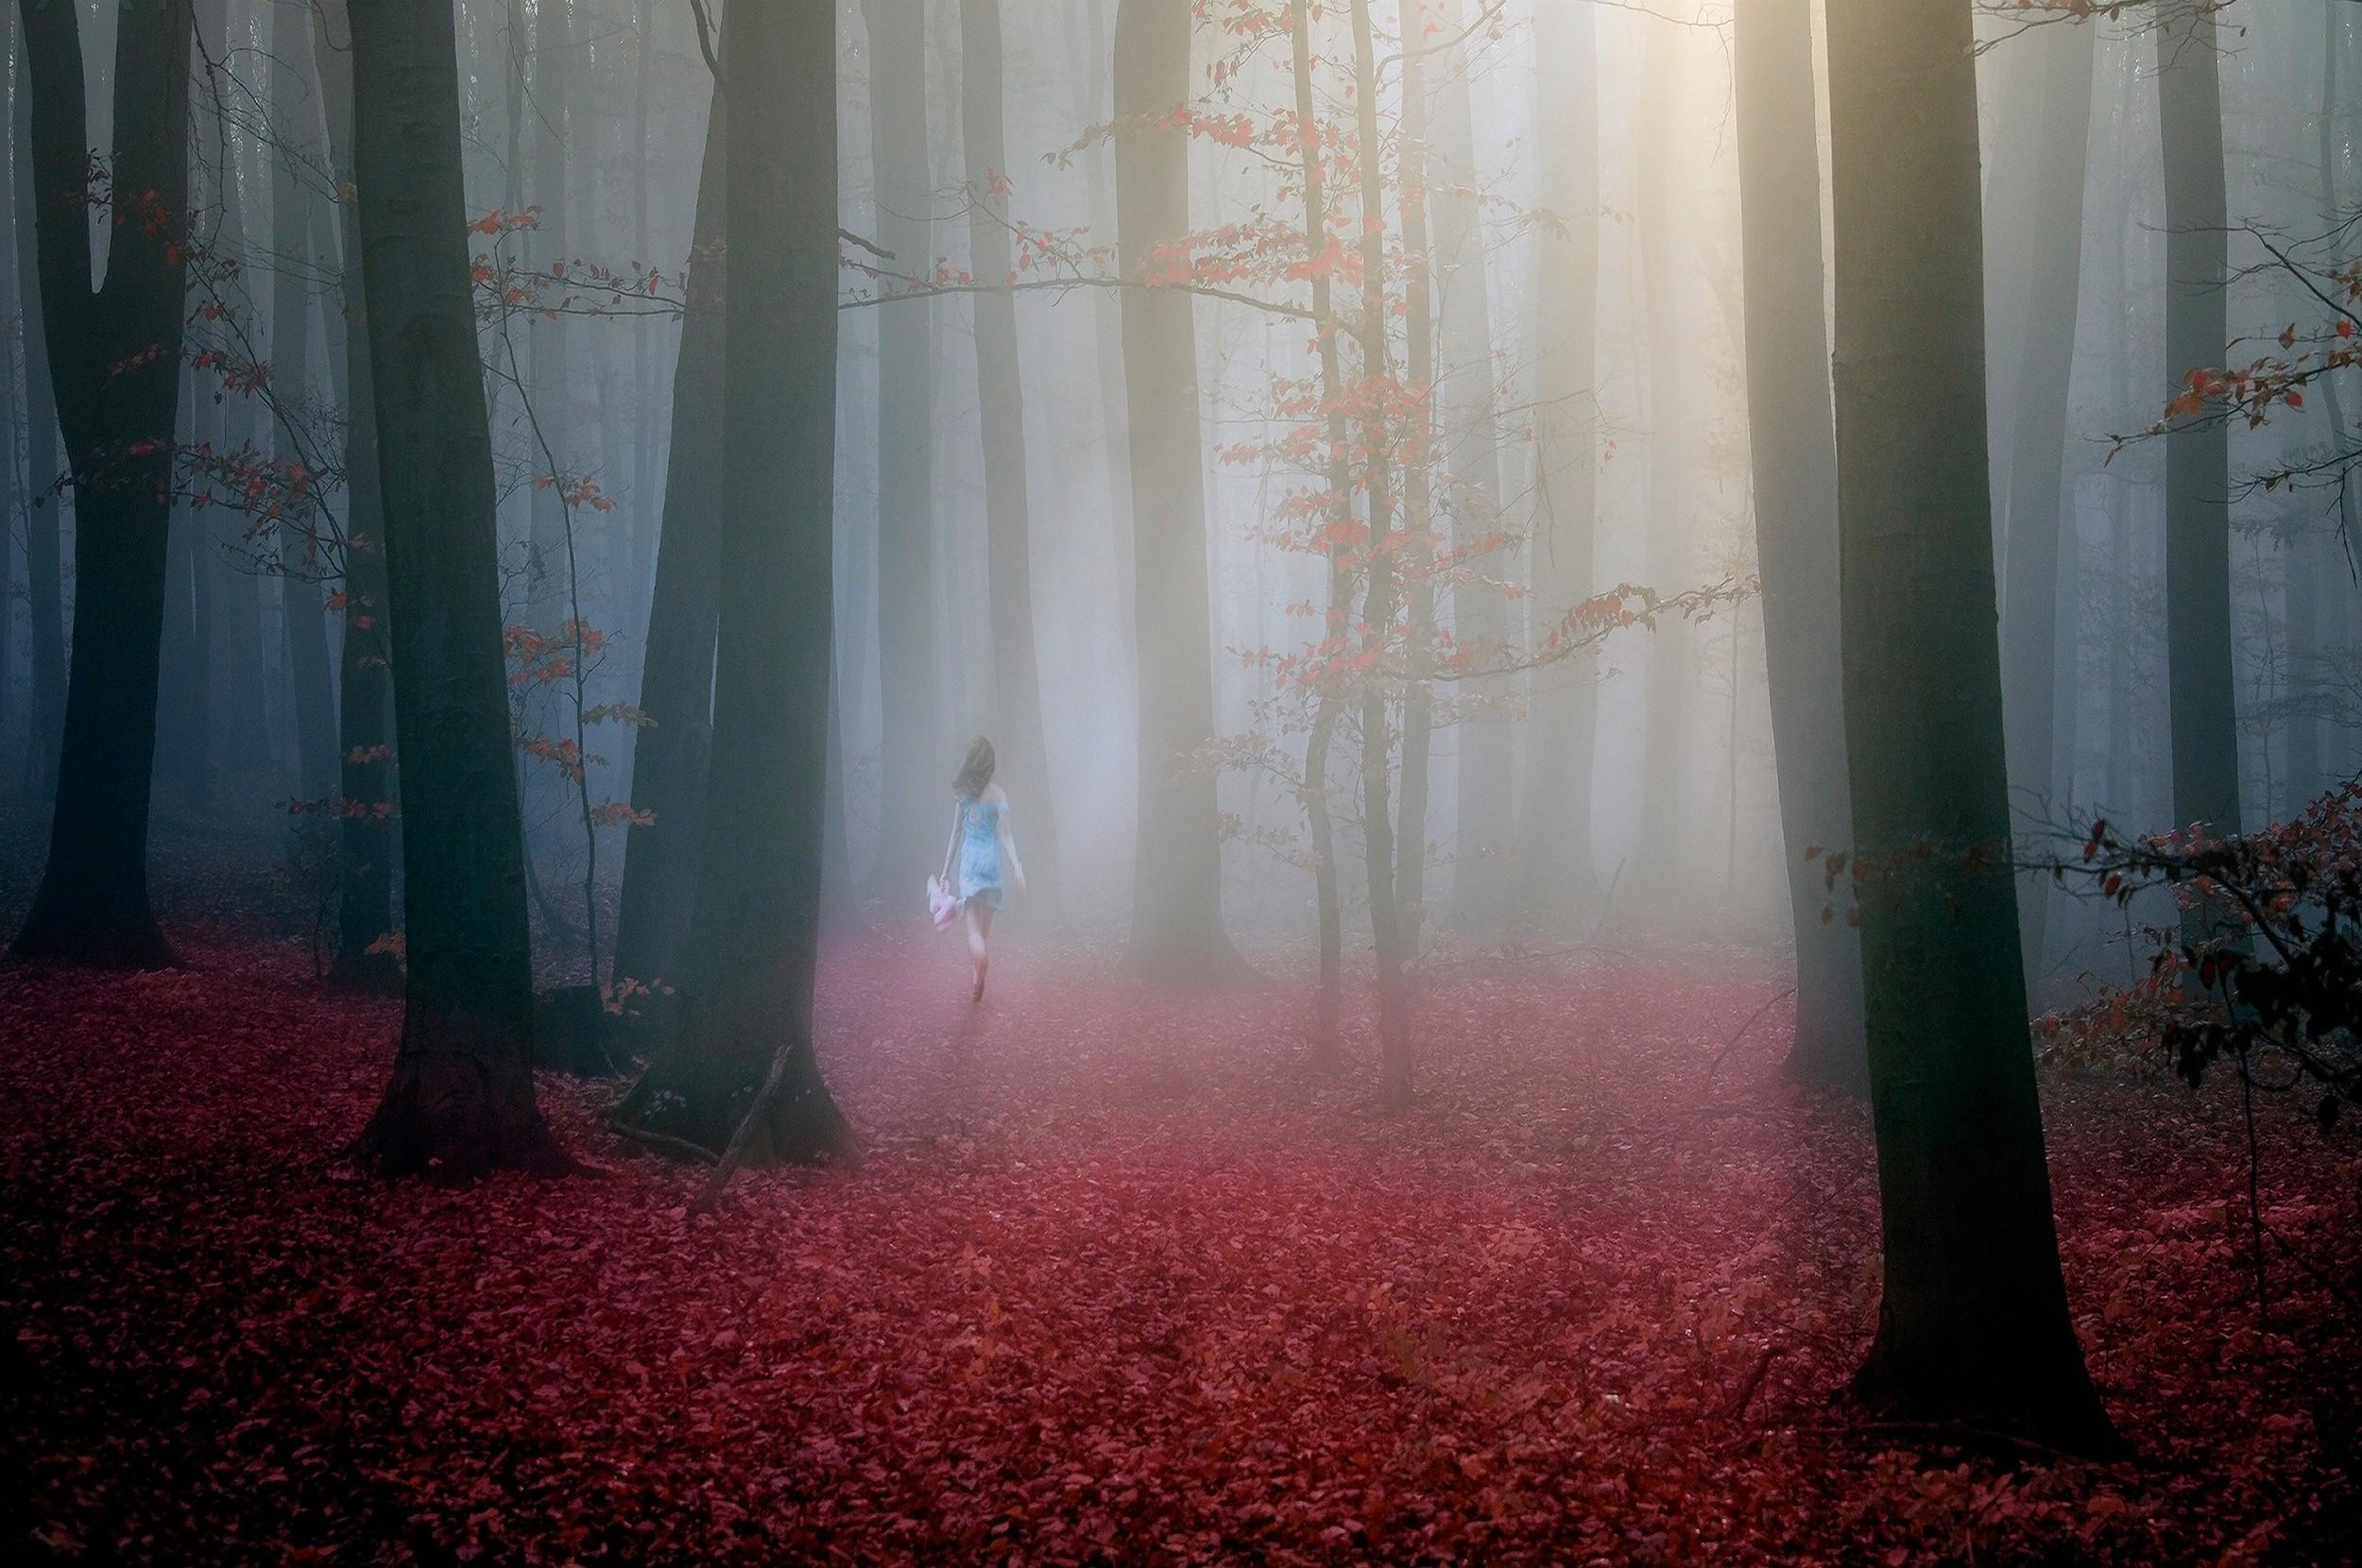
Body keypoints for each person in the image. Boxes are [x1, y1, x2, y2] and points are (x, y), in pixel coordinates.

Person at [941, 737, 1025, 1001]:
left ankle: (980, 960)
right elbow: (1007, 835)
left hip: (971, 864)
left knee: (973, 932)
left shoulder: (963, 795)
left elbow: (955, 835)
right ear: (990, 765)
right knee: (985, 931)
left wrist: (945, 871)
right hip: (993, 866)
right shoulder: (999, 794)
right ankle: (977, 977)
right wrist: (1018, 866)